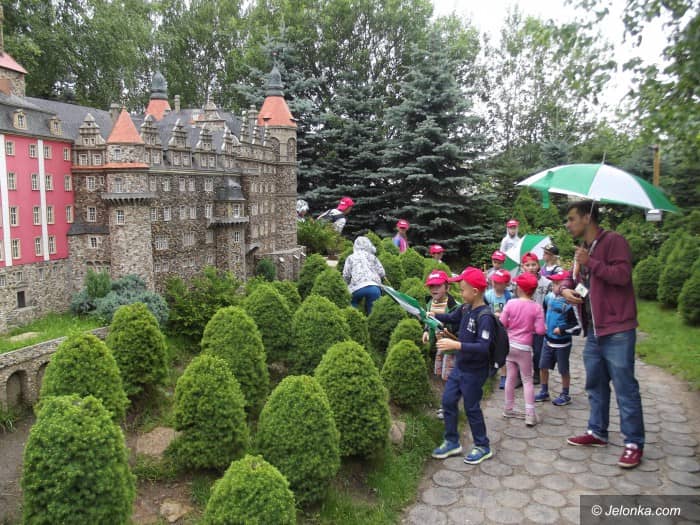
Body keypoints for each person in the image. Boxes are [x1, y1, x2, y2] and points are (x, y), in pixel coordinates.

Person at [562, 200, 644, 469]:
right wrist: (565, 289)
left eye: (571, 218)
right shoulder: (584, 248)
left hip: (617, 328)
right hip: (594, 331)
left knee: (625, 388)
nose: (568, 224)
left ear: (587, 218)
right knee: (595, 384)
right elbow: (575, 280)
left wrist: (591, 262)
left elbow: (622, 275)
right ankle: (597, 431)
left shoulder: (614, 241)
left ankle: (633, 443)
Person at [430, 267, 495, 465]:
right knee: (448, 401)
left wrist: (456, 345)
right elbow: (451, 318)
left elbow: (483, 347)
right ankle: (452, 441)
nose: (460, 293)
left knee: (471, 407)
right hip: (460, 367)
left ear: (475, 291)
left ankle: (482, 445)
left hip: (475, 371)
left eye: (462, 289)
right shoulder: (465, 308)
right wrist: (433, 315)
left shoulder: (485, 316)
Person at [499, 272, 546, 427]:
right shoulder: (537, 307)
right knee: (527, 379)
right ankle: (530, 414)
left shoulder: (510, 303)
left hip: (509, 345)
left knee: (510, 377)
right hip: (524, 347)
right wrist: (531, 327)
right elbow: (540, 331)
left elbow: (502, 323)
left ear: (519, 288)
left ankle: (508, 408)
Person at [535, 270, 581, 406]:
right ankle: (544, 391)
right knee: (543, 366)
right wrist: (543, 323)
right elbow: (544, 310)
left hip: (562, 344)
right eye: (553, 283)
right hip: (547, 341)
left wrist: (562, 329)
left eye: (557, 283)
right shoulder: (549, 297)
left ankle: (565, 394)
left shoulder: (570, 303)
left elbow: (577, 327)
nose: (554, 287)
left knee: (563, 370)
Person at [421, 270, 460, 419]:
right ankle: (447, 403)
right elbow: (428, 321)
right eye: (431, 286)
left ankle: (450, 407)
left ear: (447, 287)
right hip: (440, 345)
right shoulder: (430, 303)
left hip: (451, 347)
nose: (434, 289)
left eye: (438, 286)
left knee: (449, 377)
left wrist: (449, 332)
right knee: (441, 374)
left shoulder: (454, 306)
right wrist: (426, 331)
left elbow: (457, 326)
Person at [520, 252, 549, 384]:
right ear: (522, 267)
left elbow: (548, 304)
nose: (531, 267)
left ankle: (537, 373)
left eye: (533, 264)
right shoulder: (518, 282)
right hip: (523, 323)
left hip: (539, 323)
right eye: (527, 265)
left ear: (538, 265)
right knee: (522, 350)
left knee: (538, 351)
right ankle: (520, 375)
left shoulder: (546, 283)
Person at [342, 236, 385, 315]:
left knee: (352, 306)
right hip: (374, 288)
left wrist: (346, 286)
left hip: (357, 288)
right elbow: (382, 273)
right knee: (373, 313)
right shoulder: (373, 257)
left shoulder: (350, 258)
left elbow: (346, 275)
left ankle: (355, 318)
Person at [485, 269, 513, 389]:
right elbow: (484, 308)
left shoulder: (509, 296)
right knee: (490, 348)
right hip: (491, 326)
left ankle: (503, 375)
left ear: (506, 284)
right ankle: (492, 367)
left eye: (499, 282)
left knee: (502, 351)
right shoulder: (488, 295)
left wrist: (502, 316)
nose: (495, 284)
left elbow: (512, 313)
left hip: (503, 328)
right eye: (494, 281)